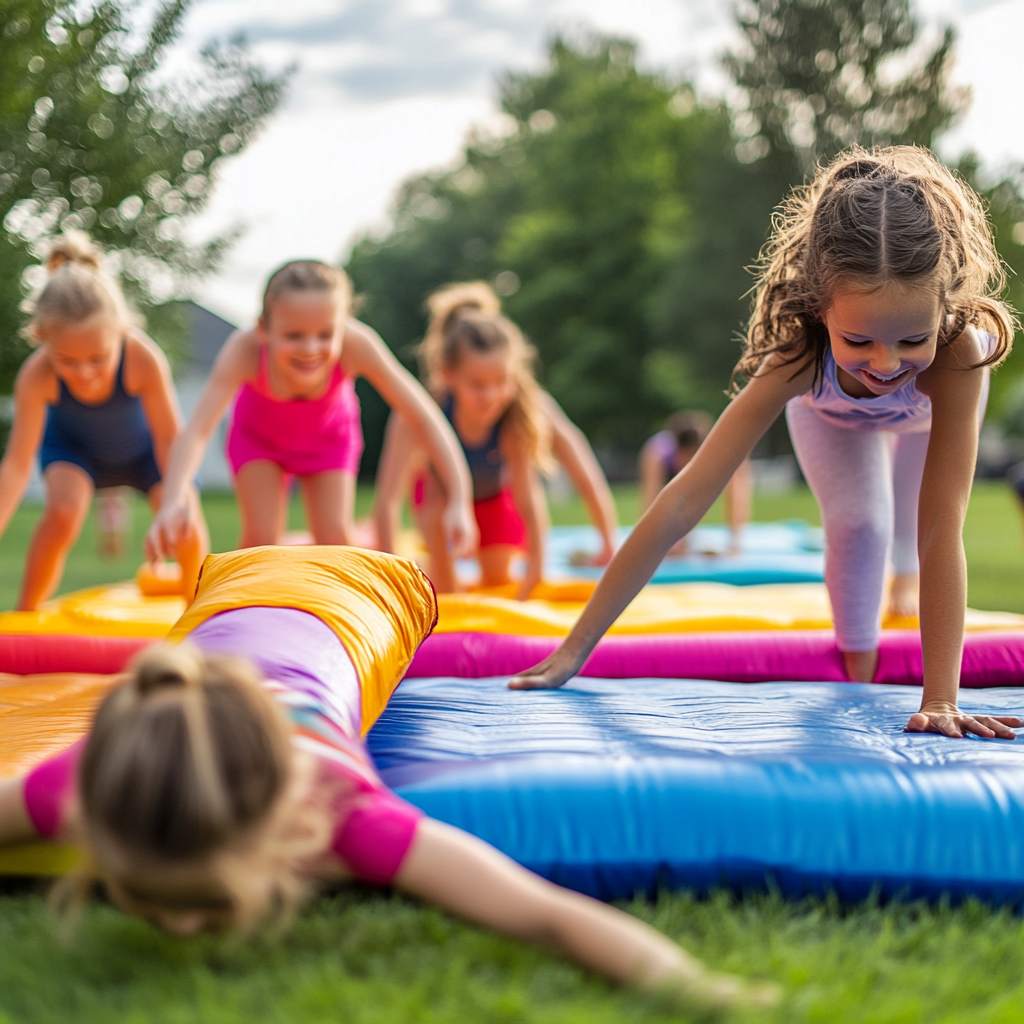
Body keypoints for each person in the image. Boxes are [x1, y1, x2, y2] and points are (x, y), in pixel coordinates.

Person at [0, 546, 773, 1012]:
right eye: (151, 900)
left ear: (280, 829)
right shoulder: (104, 780)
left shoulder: (342, 814)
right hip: (240, 598)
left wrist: (704, 989)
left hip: (358, 599)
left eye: (202, 903)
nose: (177, 932)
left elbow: (542, 915)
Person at [510, 146, 1024, 741]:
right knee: (861, 527)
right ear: (821, 307)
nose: (886, 364)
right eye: (858, 339)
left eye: (912, 338)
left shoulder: (959, 352)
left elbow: (943, 525)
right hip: (834, 419)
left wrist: (941, 699)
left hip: (926, 420)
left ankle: (904, 597)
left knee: (919, 527)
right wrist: (575, 649)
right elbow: (683, 501)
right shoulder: (798, 355)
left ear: (943, 306)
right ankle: (857, 674)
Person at [145, 261, 476, 561]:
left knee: (335, 539)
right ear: (264, 330)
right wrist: (174, 497)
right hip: (258, 441)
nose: (310, 349)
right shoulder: (244, 351)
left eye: (325, 335)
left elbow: (423, 416)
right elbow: (198, 430)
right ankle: (256, 618)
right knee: (261, 541)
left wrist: (460, 498)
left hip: (329, 441)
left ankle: (340, 619)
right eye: (293, 335)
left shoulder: (358, 344)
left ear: (342, 326)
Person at [0, 232, 207, 609]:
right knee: (63, 512)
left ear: (121, 332)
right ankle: (25, 615)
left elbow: (169, 439)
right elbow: (16, 465)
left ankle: (199, 609)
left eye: (98, 358)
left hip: (146, 453)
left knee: (186, 521)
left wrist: (176, 501)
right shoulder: (36, 375)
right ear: (42, 340)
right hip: (75, 453)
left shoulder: (143, 357)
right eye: (68, 361)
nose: (84, 373)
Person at [373, 282, 618, 598]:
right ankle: (440, 576)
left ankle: (458, 571)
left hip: (493, 496)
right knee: (445, 583)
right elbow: (388, 501)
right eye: (477, 385)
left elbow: (530, 499)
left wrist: (536, 573)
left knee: (498, 579)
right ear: (449, 374)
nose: (489, 397)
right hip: (441, 500)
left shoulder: (515, 412)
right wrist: (390, 575)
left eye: (500, 382)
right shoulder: (421, 411)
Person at [639, 411, 753, 556]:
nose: (686, 462)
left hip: (711, 460)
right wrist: (654, 543)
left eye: (691, 456)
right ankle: (680, 540)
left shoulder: (725, 450)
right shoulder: (658, 451)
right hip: (671, 468)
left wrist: (735, 545)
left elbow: (736, 497)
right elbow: (650, 497)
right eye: (684, 457)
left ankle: (685, 539)